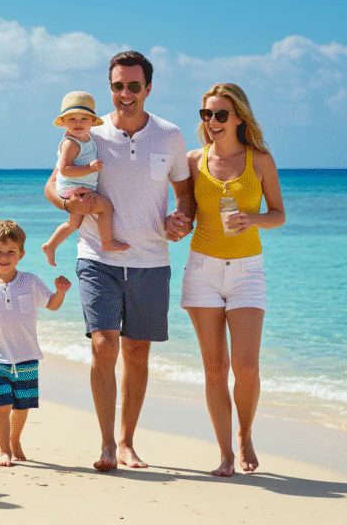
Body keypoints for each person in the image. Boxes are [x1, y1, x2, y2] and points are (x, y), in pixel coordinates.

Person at [44, 50, 194, 471]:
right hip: (97, 256)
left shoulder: (169, 135)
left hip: (151, 258)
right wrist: (79, 206)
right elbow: (52, 187)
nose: (124, 94)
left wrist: (180, 219)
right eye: (117, 86)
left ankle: (127, 442)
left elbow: (186, 194)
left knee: (138, 351)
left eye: (133, 86)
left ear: (148, 88)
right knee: (103, 345)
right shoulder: (90, 132)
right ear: (109, 88)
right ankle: (106, 444)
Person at [181, 83, 285, 477]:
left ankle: (245, 435)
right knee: (213, 367)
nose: (212, 122)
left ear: (239, 117)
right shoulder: (193, 160)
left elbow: (278, 214)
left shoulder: (260, 160)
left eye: (220, 114)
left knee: (246, 367)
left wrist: (252, 219)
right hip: (202, 271)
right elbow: (186, 213)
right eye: (206, 114)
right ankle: (225, 452)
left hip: (247, 272)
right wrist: (175, 223)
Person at [0, 220, 70, 467]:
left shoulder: (30, 281)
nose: (4, 257)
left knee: (22, 406)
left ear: (21, 255)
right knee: (2, 405)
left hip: (26, 355)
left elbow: (52, 305)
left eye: (11, 252)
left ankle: (15, 440)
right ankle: (4, 451)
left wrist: (61, 292)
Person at [41, 91, 130, 266]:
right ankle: (107, 242)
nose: (78, 123)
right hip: (74, 189)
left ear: (91, 122)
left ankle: (50, 245)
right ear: (65, 123)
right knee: (105, 207)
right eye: (72, 119)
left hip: (78, 187)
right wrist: (89, 168)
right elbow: (64, 169)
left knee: (73, 224)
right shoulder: (71, 143)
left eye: (83, 119)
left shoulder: (86, 138)